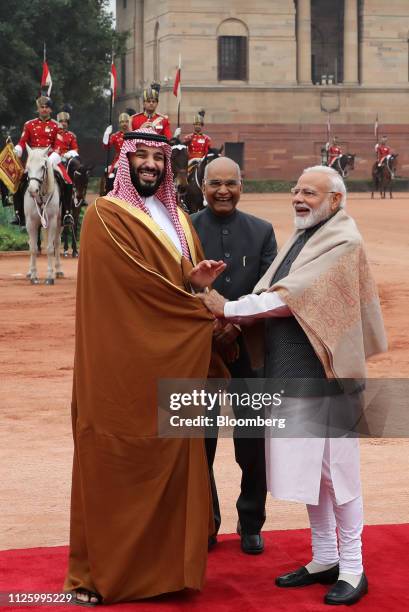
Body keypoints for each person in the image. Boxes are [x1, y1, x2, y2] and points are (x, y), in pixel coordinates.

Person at [200, 165, 387, 606]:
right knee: (313, 475)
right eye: (295, 190)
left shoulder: (343, 239)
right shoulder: (307, 236)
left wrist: (227, 307)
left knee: (339, 476)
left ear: (335, 200)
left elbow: (288, 298)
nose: (298, 198)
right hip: (294, 375)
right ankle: (324, 557)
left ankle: (353, 567)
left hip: (329, 379)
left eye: (309, 192)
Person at [64, 127, 229, 605]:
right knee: (117, 461)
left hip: (172, 361)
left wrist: (195, 281)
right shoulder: (105, 217)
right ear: (125, 162)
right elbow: (134, 291)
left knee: (175, 458)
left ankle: (165, 573)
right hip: (122, 364)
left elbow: (174, 283)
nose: (152, 165)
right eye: (143, 158)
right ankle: (103, 575)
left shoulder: (178, 217)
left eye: (159, 158)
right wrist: (202, 313)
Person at [191, 157, 277, 554]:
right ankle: (205, 521)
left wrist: (234, 322)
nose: (223, 191)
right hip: (197, 353)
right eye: (215, 184)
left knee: (252, 442)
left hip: (248, 352)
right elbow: (175, 285)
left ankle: (251, 520)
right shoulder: (184, 228)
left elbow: (269, 290)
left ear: (242, 186)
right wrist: (210, 324)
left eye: (231, 183)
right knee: (197, 441)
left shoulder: (262, 232)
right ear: (202, 185)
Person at [11, 96, 74, 226]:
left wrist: (51, 159)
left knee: (67, 181)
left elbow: (59, 146)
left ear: (50, 109)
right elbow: (22, 142)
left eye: (46, 107)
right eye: (42, 107)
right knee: (18, 181)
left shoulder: (57, 126)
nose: (44, 110)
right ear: (38, 109)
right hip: (33, 159)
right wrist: (17, 149)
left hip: (50, 158)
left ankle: (67, 213)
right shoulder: (29, 124)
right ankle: (18, 214)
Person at [102, 112, 130, 192]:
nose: (124, 124)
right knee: (111, 175)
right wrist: (106, 135)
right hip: (119, 159)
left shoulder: (133, 134)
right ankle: (109, 192)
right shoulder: (115, 136)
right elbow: (106, 147)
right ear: (119, 123)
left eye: (126, 121)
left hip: (131, 158)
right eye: (122, 122)